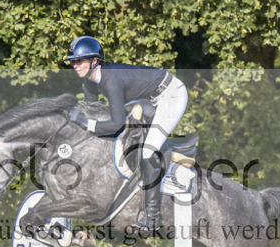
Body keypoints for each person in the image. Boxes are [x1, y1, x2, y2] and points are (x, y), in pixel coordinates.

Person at [63, 35, 187, 230]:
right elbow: (94, 112)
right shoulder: (89, 81)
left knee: (147, 151)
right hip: (146, 98)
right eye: (73, 62)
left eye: (79, 61)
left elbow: (116, 124)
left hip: (170, 94)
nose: (75, 65)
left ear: (95, 61)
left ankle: (153, 218)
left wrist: (85, 123)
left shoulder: (111, 80)